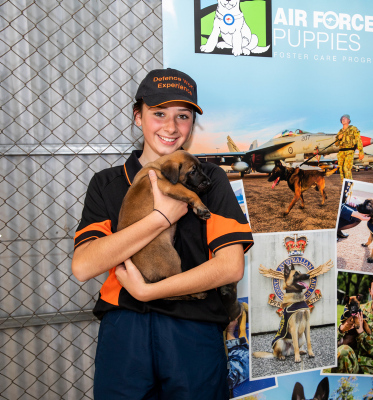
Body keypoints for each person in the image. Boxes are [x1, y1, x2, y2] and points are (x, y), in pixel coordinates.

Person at [71, 68, 253, 400]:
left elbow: (230, 267)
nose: (171, 127)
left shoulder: (209, 180)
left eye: (182, 116)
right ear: (138, 117)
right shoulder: (107, 183)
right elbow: (83, 266)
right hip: (125, 331)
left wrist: (147, 292)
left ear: (192, 124)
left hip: (193, 327)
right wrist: (158, 219)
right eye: (158, 114)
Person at [334, 276, 373, 375]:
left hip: (370, 369)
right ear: (370, 291)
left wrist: (361, 331)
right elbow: (334, 339)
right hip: (348, 360)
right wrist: (342, 328)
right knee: (342, 351)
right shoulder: (359, 308)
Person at [335, 114, 364, 181]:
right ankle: (344, 188)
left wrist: (361, 152)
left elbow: (358, 140)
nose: (343, 119)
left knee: (346, 169)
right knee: (341, 170)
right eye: (342, 119)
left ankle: (349, 188)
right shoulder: (340, 131)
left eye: (345, 118)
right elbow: (336, 144)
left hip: (349, 151)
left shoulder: (353, 129)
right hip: (341, 152)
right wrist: (338, 138)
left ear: (349, 120)